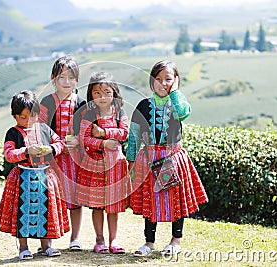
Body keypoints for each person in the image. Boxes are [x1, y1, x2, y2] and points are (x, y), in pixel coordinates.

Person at [126, 60, 208, 257]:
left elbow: (184, 113)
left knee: (175, 200)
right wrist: (130, 161)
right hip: (149, 158)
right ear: (151, 81)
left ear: (176, 81)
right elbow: (134, 134)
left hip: (173, 156)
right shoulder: (143, 106)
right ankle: (149, 242)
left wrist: (176, 92)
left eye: (168, 79)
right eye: (158, 79)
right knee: (150, 199)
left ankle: (175, 240)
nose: (163, 83)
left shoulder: (178, 103)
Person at [0, 90, 70, 260]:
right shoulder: (13, 133)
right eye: (23, 117)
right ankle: (23, 247)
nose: (28, 121)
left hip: (44, 176)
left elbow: (60, 143)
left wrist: (51, 149)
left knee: (46, 210)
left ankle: (46, 246)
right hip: (22, 177)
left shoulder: (44, 129)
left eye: (33, 116)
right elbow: (9, 154)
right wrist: (26, 151)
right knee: (22, 211)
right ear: (14, 116)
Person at [76, 72, 130, 254]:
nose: (102, 97)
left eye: (106, 92)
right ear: (91, 94)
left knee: (113, 205)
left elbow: (124, 133)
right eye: (97, 93)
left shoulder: (120, 113)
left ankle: (113, 241)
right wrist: (103, 143)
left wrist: (104, 133)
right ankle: (99, 240)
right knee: (97, 205)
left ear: (114, 93)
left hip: (115, 165)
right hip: (96, 165)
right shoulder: (88, 114)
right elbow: (84, 139)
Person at [38, 55, 86, 251]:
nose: (67, 82)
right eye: (61, 77)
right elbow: (40, 129)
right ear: (53, 78)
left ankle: (75, 238)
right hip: (52, 159)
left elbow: (87, 129)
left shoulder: (81, 103)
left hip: (75, 159)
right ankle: (47, 241)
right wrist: (55, 145)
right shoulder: (47, 102)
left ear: (77, 79)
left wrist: (78, 141)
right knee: (49, 197)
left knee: (75, 199)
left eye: (71, 77)